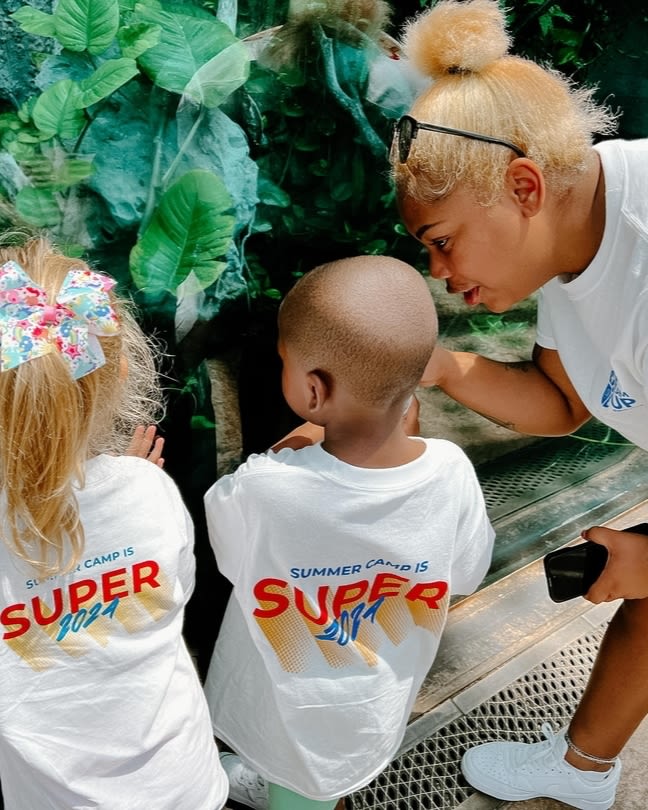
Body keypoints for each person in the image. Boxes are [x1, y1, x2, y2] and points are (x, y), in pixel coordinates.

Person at [389, 1, 648, 808]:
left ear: (524, 186)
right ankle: (582, 773)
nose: (437, 270)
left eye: (440, 239)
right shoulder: (569, 238)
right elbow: (561, 400)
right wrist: (445, 367)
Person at [202, 255, 495, 810]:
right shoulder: (452, 469)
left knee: (307, 793)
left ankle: (286, 791)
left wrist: (292, 444)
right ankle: (282, 784)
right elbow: (466, 572)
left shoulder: (266, 488)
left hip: (285, 708)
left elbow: (227, 549)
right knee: (325, 776)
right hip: (373, 706)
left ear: (313, 392)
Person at [0, 235, 227, 810]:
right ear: (124, 369)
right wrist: (126, 485)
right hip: (184, 786)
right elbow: (175, 596)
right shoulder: (148, 488)